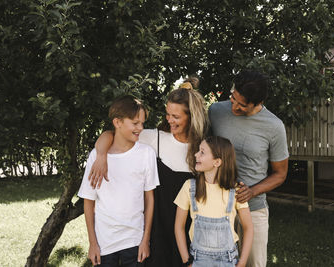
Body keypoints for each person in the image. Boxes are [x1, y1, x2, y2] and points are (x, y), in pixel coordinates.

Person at [89, 77, 209, 267]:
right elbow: (112, 133)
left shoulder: (204, 149)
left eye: (176, 117)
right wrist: (101, 154)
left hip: (190, 230)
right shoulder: (154, 139)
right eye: (168, 114)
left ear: (192, 117)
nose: (169, 120)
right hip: (157, 231)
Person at [209, 70, 289, 267]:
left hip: (254, 210)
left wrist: (252, 191)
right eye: (233, 98)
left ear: (258, 103)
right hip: (218, 206)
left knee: (253, 263)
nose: (234, 107)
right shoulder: (216, 111)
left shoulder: (274, 126)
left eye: (242, 105)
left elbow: (280, 174)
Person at [77, 95, 160, 267]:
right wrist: (92, 243)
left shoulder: (146, 154)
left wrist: (145, 240)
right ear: (117, 122)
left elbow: (149, 199)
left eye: (142, 123)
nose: (140, 128)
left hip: (135, 241)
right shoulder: (96, 157)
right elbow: (88, 202)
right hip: (104, 243)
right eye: (135, 123)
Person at [174, 136, 254, 267]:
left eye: (202, 152)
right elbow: (179, 226)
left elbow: (248, 227)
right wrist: (186, 261)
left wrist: (242, 262)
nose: (196, 154)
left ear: (217, 162)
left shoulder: (235, 191)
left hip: (228, 261)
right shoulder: (189, 187)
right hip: (197, 261)